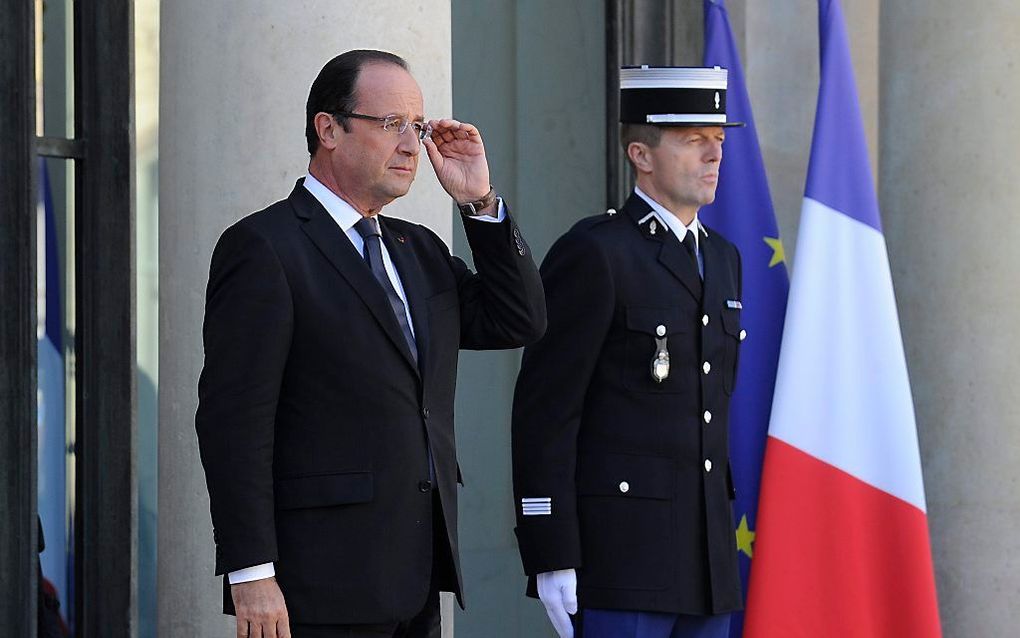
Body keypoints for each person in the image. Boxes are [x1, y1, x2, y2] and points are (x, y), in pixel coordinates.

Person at [195, 49, 546, 638]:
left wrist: (478, 203)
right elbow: (234, 423)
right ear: (328, 129)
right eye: (391, 125)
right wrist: (250, 572)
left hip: (416, 578)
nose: (412, 145)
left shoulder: (420, 248)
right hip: (316, 584)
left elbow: (519, 320)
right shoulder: (265, 248)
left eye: (419, 126)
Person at [511, 66, 746, 638]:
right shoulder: (596, 252)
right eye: (695, 141)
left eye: (718, 140)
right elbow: (547, 411)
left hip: (706, 558)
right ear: (641, 153)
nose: (714, 154)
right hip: (621, 556)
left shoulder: (723, 259)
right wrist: (550, 548)